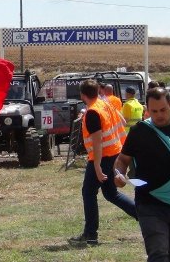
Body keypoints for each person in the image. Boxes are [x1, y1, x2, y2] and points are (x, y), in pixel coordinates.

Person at [114, 87, 170, 262]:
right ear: (147, 109)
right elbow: (122, 159)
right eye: (154, 111)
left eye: (163, 110)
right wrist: (118, 173)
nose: (159, 115)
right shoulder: (140, 132)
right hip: (150, 203)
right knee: (158, 255)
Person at [68, 79, 137, 246]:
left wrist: (97, 166)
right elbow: (122, 121)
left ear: (82, 95)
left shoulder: (92, 112)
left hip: (103, 157)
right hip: (114, 152)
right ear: (98, 91)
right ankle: (146, 216)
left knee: (89, 193)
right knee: (111, 194)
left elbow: (97, 141)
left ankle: (91, 235)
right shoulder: (105, 104)